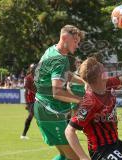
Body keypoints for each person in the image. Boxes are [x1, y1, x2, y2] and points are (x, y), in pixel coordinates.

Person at [65, 57, 122, 160]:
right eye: (103, 69)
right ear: (100, 76)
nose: (107, 70)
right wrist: (83, 158)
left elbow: (120, 79)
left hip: (115, 142)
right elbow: (69, 131)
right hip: (100, 149)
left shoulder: (107, 84)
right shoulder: (90, 102)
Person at [34, 25, 85, 160]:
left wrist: (84, 82)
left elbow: (65, 75)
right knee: (75, 158)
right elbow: (57, 93)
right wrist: (81, 101)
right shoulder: (60, 60)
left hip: (44, 108)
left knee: (64, 155)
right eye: (75, 41)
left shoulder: (52, 51)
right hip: (49, 111)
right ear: (64, 38)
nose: (77, 45)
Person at [20, 63, 37, 140]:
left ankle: (23, 134)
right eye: (33, 68)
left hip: (36, 100)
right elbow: (26, 91)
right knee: (33, 116)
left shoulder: (37, 77)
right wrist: (27, 103)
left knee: (31, 116)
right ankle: (23, 134)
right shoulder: (28, 78)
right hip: (30, 100)